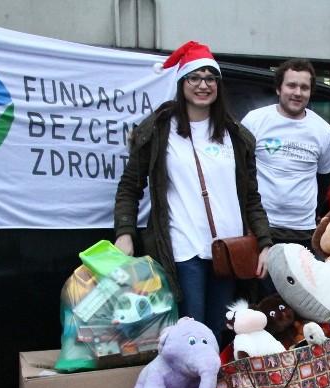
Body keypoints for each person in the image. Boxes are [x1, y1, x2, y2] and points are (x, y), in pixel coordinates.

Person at [113, 41, 272, 344]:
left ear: (218, 84)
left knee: (220, 332)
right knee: (189, 334)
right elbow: (129, 186)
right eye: (194, 77)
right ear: (182, 83)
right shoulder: (159, 129)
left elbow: (252, 197)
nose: (203, 85)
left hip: (228, 251)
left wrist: (264, 242)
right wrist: (124, 232)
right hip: (183, 250)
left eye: (210, 78)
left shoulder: (235, 136)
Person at [240, 58, 330, 298]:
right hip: (263, 230)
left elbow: (325, 177)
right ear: (278, 88)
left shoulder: (323, 130)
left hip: (303, 231)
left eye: (304, 87)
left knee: (302, 302)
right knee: (266, 304)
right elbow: (240, 172)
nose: (297, 92)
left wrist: (314, 211)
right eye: (291, 86)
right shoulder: (255, 121)